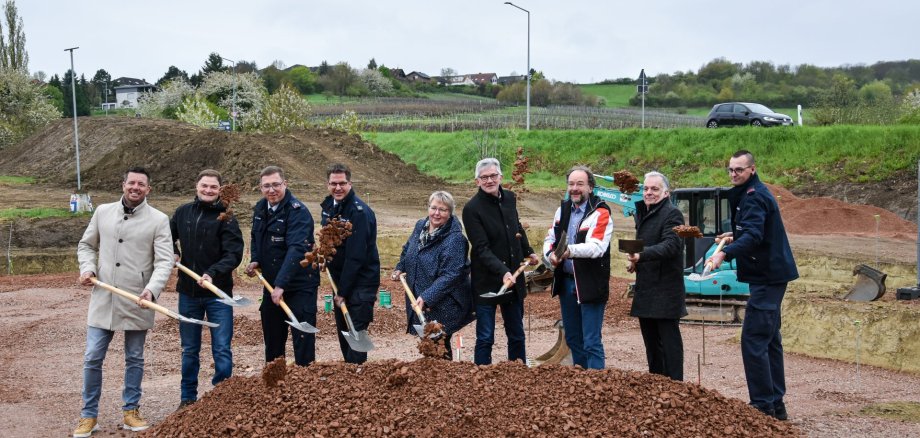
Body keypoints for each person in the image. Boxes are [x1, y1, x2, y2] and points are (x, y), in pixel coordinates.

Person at [74, 167, 173, 437]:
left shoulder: (159, 219)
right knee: (93, 357)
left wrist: (152, 290)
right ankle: (88, 416)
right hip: (104, 296)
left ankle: (131, 410)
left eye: (142, 184)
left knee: (135, 358)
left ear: (148, 189)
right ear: (123, 185)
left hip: (137, 299)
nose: (136, 187)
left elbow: (165, 261)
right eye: (132, 183)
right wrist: (88, 269)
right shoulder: (103, 212)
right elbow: (86, 245)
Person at [708, 149, 799, 421]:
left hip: (768, 278)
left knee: (754, 340)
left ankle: (762, 406)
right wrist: (734, 234)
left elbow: (756, 236)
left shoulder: (754, 196)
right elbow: (755, 229)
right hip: (771, 276)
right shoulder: (751, 194)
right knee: (769, 339)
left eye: (739, 170)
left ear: (752, 169)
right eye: (731, 170)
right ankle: (776, 405)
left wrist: (726, 252)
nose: (734, 174)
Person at [170, 169, 244, 410]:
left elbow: (234, 254)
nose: (208, 190)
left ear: (219, 190)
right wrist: (173, 252)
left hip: (218, 295)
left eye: (213, 187)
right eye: (205, 186)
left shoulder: (227, 217)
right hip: (188, 293)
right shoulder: (182, 213)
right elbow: (164, 237)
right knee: (190, 349)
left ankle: (222, 398)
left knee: (221, 347)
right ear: (197, 186)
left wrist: (213, 272)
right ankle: (187, 398)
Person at [462, 158, 538, 365]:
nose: (489, 180)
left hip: (513, 279)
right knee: (486, 336)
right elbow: (481, 248)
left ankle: (517, 373)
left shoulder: (510, 198)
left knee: (516, 333)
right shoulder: (471, 209)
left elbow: (517, 229)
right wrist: (503, 271)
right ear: (477, 181)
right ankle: (482, 376)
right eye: (484, 177)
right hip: (487, 282)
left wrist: (528, 251)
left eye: (493, 176)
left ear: (500, 177)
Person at [244, 166, 319, 366]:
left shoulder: (298, 212)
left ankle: (304, 383)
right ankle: (275, 385)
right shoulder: (261, 207)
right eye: (266, 186)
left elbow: (297, 249)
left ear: (285, 184)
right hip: (272, 285)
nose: (271, 190)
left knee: (302, 338)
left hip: (300, 285)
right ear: (260, 188)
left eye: (276, 185)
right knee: (273, 338)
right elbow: (256, 236)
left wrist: (281, 285)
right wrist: (256, 259)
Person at [543, 166, 613, 370]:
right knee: (573, 339)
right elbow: (551, 238)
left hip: (590, 283)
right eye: (571, 184)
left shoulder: (600, 212)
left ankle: (597, 386)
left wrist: (568, 251)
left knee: (591, 341)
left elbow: (597, 247)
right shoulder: (562, 209)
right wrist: (550, 256)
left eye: (580, 184)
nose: (575, 188)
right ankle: (582, 384)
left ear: (590, 187)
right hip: (566, 283)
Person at [392, 191, 474, 359]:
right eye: (433, 208)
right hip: (422, 297)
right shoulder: (420, 225)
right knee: (430, 343)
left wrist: (427, 296)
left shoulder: (455, 239)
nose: (436, 213)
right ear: (428, 208)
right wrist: (400, 267)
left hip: (446, 302)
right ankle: (435, 379)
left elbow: (451, 275)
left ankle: (443, 380)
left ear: (450, 213)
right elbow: (408, 249)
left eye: (443, 210)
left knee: (438, 343)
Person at [625, 171, 687, 380]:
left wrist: (641, 256)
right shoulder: (643, 212)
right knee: (651, 345)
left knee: (669, 345)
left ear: (666, 193)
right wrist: (635, 262)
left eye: (654, 189)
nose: (649, 193)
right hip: (647, 288)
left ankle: (676, 387)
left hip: (666, 290)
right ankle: (656, 385)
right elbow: (645, 246)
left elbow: (671, 245)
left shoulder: (673, 214)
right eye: (646, 188)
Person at [320, 163, 380, 364]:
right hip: (341, 283)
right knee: (345, 333)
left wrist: (343, 292)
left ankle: (359, 380)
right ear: (328, 184)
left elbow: (356, 257)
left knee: (356, 334)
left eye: (342, 183)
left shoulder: (359, 213)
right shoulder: (329, 207)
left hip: (360, 283)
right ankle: (350, 378)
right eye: (333, 183)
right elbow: (328, 242)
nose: (338, 188)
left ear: (350, 183)